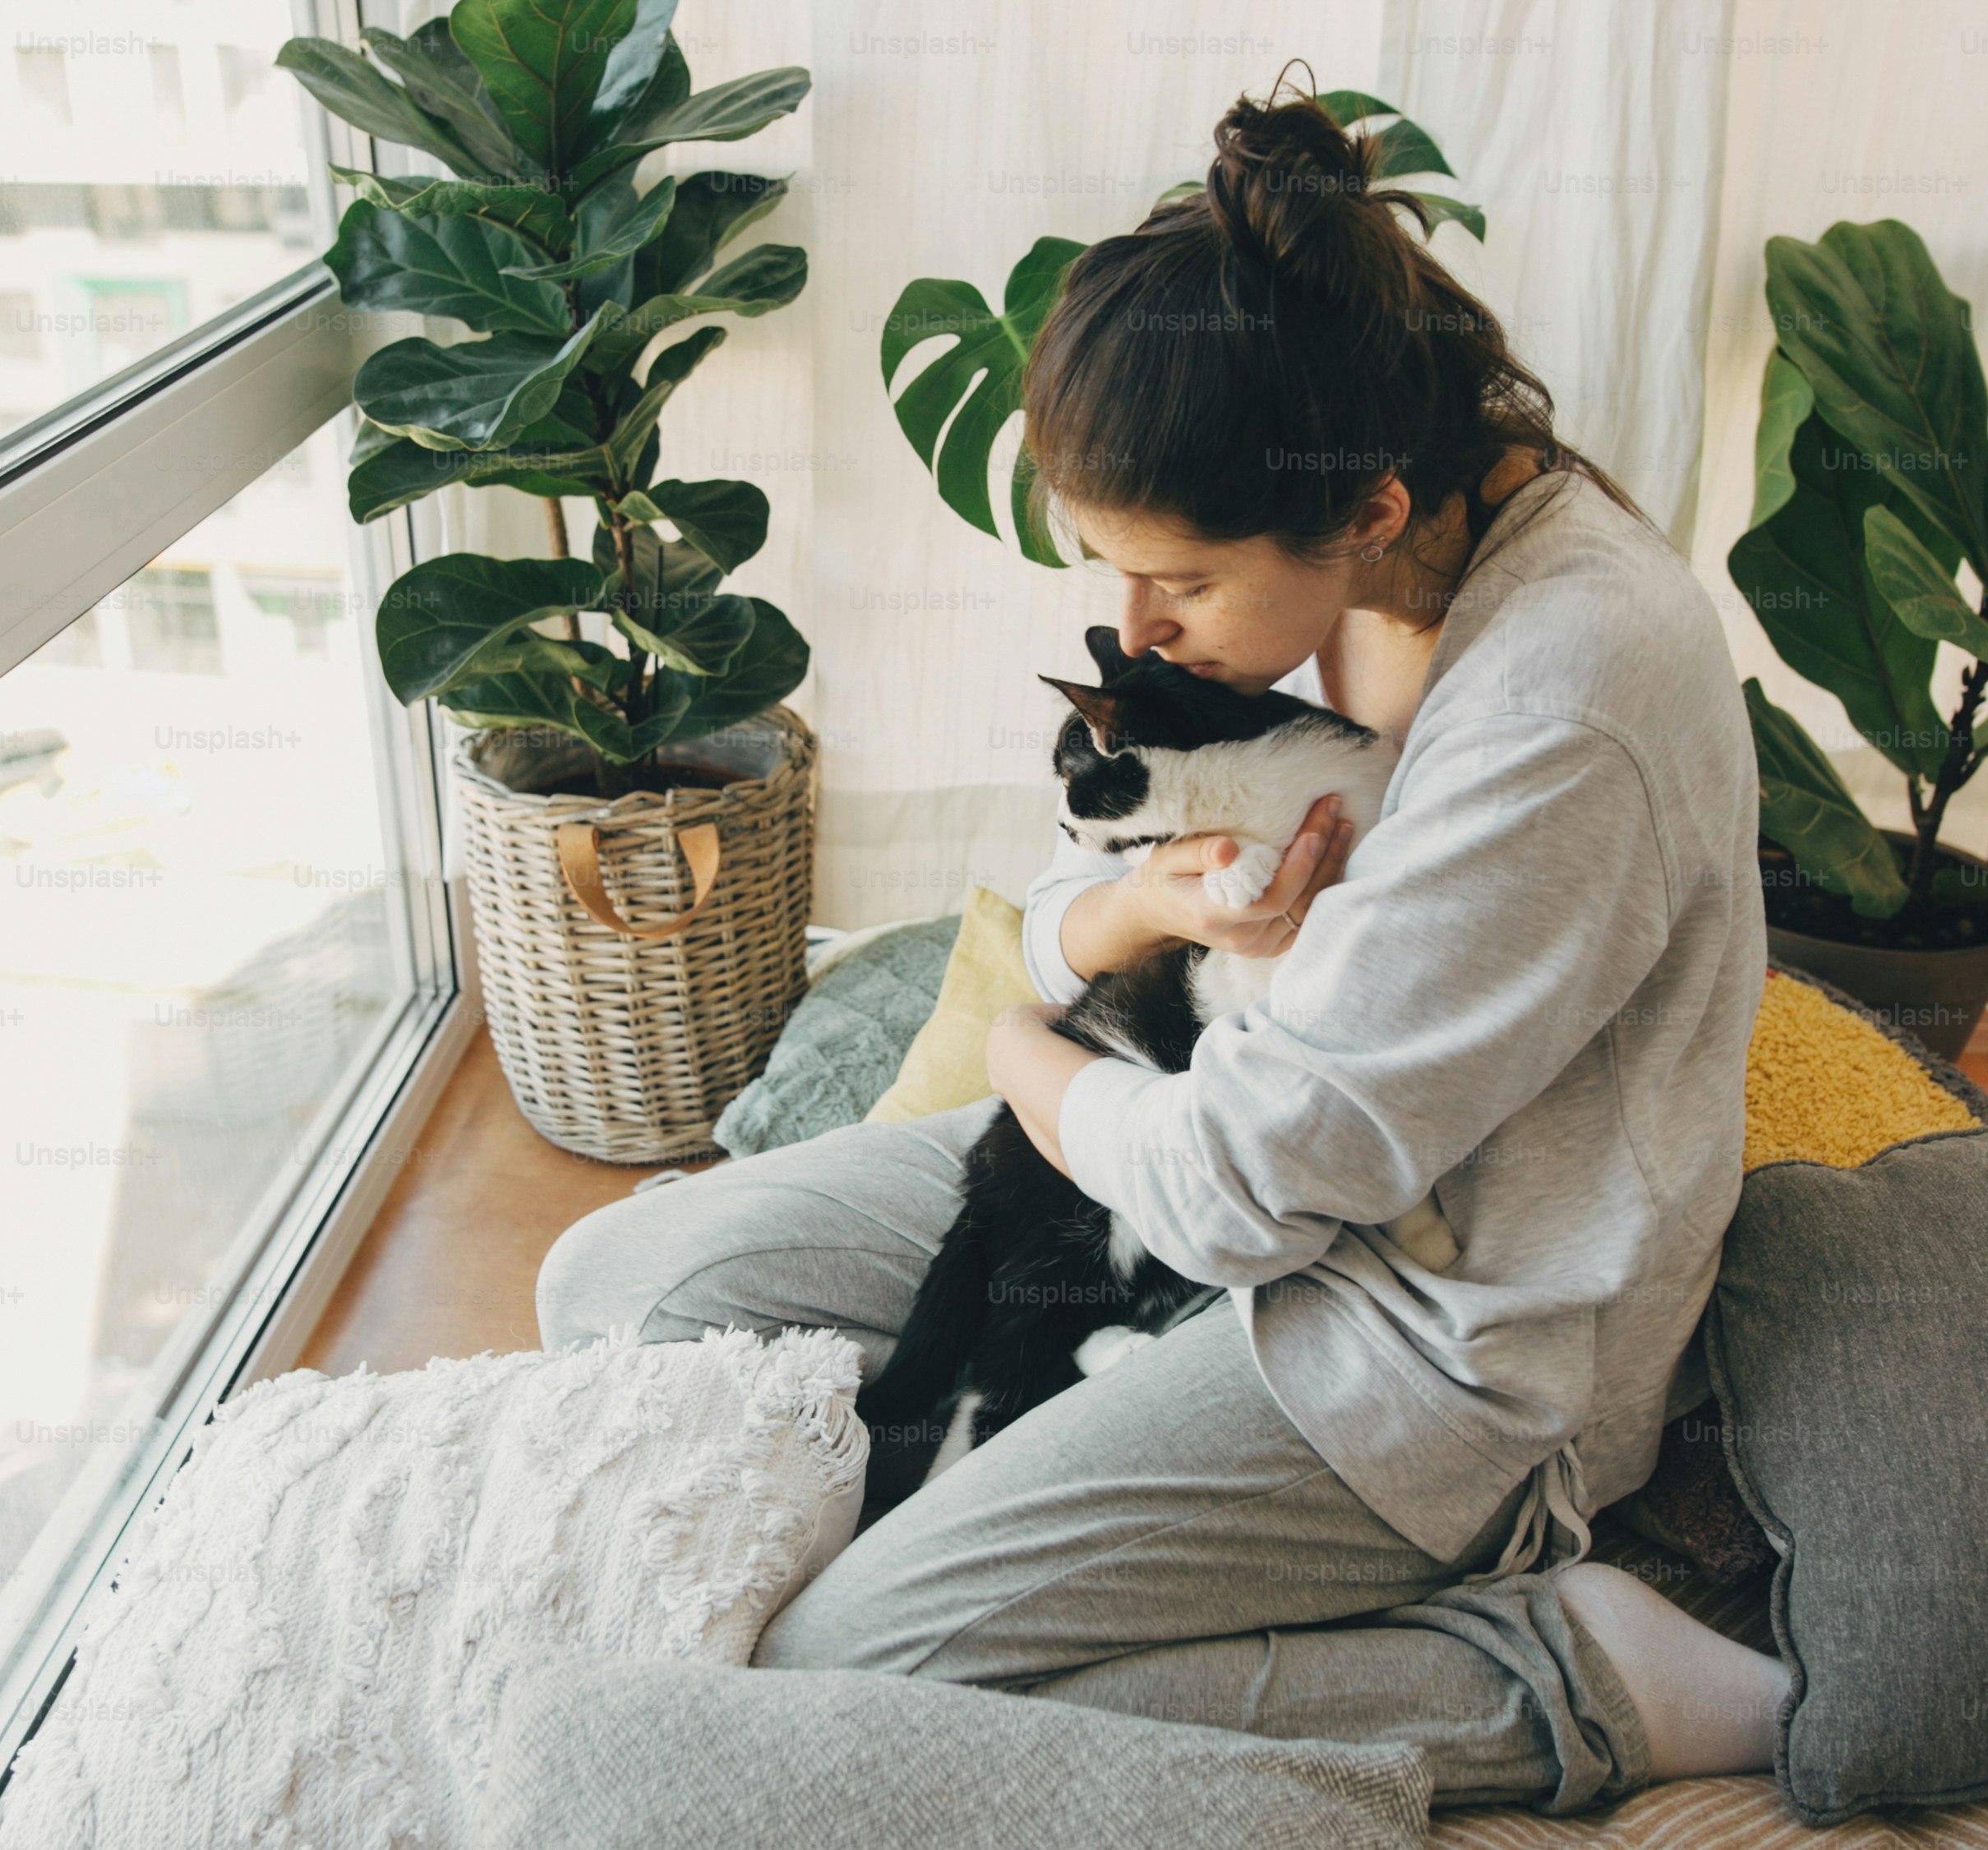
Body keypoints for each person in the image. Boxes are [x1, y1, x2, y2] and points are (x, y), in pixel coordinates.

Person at [534, 86, 1788, 1811]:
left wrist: (1020, 1056)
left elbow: (1242, 1188)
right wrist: (1145, 911)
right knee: (616, 1287)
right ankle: (1018, 1504)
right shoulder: (1333, 579)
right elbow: (1078, 898)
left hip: (1434, 1341)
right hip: (1189, 1146)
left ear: (1367, 508)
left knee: (842, 1673)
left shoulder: (1561, 707)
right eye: (1111, 572)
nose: (1131, 630)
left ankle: (1569, 1672)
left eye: (1175, 586)